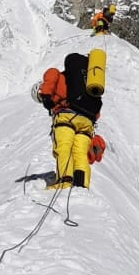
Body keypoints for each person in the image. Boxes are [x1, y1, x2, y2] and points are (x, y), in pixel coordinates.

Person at [33, 52, 106, 188]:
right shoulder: (75, 82)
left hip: (66, 118)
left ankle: (65, 181)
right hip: (87, 122)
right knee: (80, 152)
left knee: (64, 147)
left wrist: (46, 95)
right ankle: (81, 184)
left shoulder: (54, 80)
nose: (41, 100)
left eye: (38, 96)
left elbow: (52, 72)